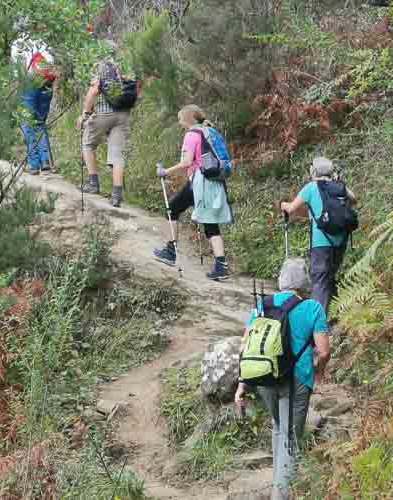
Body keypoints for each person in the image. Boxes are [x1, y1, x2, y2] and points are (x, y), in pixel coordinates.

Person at [234, 259, 330, 500]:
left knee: (279, 428)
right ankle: (281, 494)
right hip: (295, 380)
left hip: (263, 377)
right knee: (290, 438)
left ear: (281, 280)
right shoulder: (312, 308)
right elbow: (324, 351)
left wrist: (242, 385)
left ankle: (278, 488)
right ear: (304, 281)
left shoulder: (261, 305)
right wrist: (318, 370)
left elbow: (247, 346)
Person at [151, 104, 232, 281]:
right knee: (210, 223)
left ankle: (170, 251)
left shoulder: (191, 135)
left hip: (199, 182)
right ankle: (221, 266)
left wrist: (165, 172)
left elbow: (186, 162)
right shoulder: (210, 131)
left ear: (187, 119)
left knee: (172, 209)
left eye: (180, 119)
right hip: (215, 183)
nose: (179, 123)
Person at [280, 157, 356, 314]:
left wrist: (283, 205)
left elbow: (292, 209)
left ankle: (316, 322)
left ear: (313, 171)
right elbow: (354, 199)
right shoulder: (339, 186)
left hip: (321, 242)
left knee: (320, 280)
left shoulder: (311, 187)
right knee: (330, 277)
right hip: (340, 240)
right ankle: (334, 315)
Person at [78, 58, 132, 207]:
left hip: (104, 113)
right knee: (117, 154)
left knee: (87, 143)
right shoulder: (123, 67)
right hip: (123, 115)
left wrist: (86, 114)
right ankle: (116, 196)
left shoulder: (100, 67)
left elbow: (93, 91)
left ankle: (93, 183)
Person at [10, 25, 56, 175]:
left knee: (27, 122)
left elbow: (19, 70)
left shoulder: (18, 43)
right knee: (39, 121)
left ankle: (33, 164)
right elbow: (52, 66)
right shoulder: (44, 41)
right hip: (47, 85)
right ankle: (45, 161)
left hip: (29, 84)